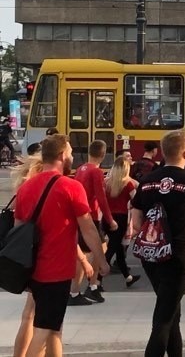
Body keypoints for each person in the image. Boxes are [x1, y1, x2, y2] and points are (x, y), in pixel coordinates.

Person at [13, 134, 110, 356]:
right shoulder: (70, 186)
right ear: (61, 155)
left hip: (33, 269)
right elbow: (88, 228)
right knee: (44, 330)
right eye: (70, 153)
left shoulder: (27, 187)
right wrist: (101, 261)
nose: (73, 157)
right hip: (55, 271)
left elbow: (18, 229)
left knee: (54, 329)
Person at [131, 130, 185, 357]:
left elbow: (137, 223)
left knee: (171, 309)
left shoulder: (146, 181)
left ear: (164, 152)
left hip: (150, 255)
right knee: (164, 317)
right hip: (179, 254)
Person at [71, 139, 117, 305]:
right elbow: (101, 197)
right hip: (91, 216)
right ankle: (78, 291)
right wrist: (110, 219)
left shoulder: (80, 169)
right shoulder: (96, 172)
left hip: (81, 214)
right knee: (93, 251)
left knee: (99, 249)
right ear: (103, 155)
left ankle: (92, 285)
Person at [103, 155, 140, 288]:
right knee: (112, 249)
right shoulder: (128, 184)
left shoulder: (106, 182)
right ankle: (96, 280)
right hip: (121, 218)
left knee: (118, 249)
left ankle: (128, 277)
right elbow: (137, 201)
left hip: (107, 218)